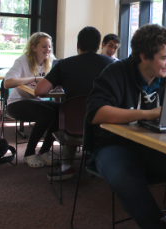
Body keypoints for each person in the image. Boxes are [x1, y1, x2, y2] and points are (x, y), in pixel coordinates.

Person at [86, 24, 166, 229]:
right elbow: (98, 113)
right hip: (113, 145)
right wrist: (148, 113)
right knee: (126, 179)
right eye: (164, 57)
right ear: (144, 57)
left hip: (156, 146)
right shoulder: (116, 72)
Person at [34, 26, 113, 181]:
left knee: (71, 115)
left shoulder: (64, 64)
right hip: (104, 128)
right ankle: (95, 162)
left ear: (78, 45)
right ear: (99, 46)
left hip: (74, 128)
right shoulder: (112, 64)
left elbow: (39, 91)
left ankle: (66, 167)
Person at [4, 32, 60, 168]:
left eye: (49, 47)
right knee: (46, 113)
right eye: (44, 46)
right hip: (17, 103)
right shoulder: (22, 60)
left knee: (61, 110)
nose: (48, 50)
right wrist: (35, 78)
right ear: (33, 47)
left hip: (37, 102)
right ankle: (29, 153)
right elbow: (7, 83)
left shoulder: (51, 61)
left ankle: (45, 151)